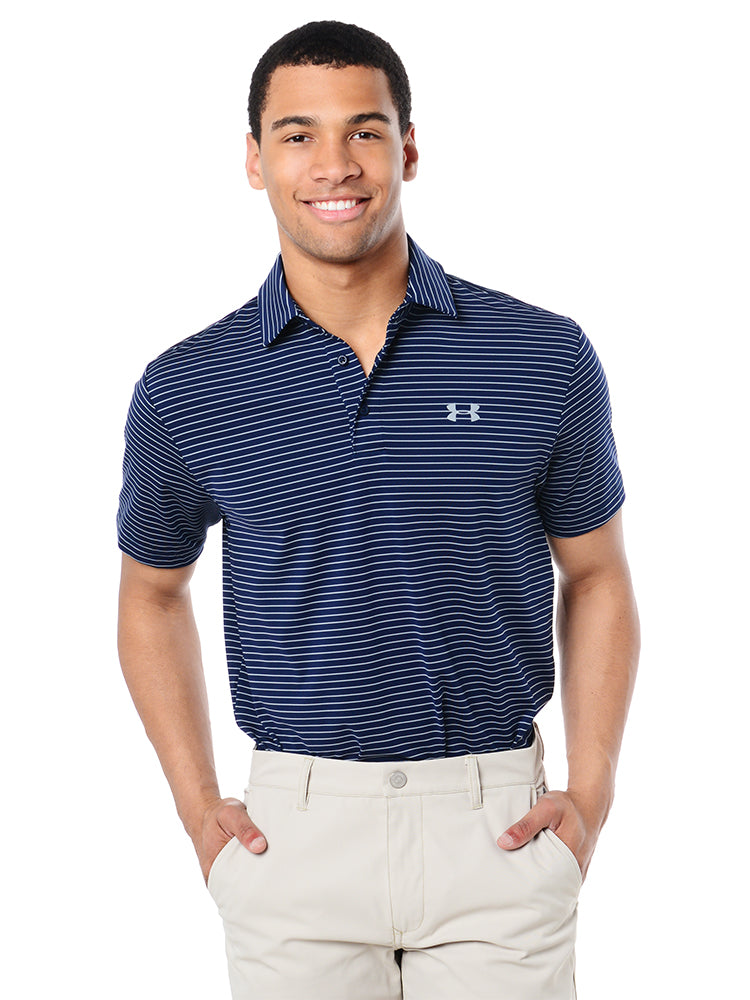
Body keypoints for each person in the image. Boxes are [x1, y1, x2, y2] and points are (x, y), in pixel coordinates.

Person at [116, 19, 640, 1000]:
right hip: (293, 839)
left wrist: (594, 791)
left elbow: (598, 572)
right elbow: (150, 592)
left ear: (409, 148)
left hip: (497, 830)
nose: (335, 165)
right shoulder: (188, 386)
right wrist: (197, 807)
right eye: (298, 135)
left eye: (364, 130)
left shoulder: (538, 355)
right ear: (254, 160)